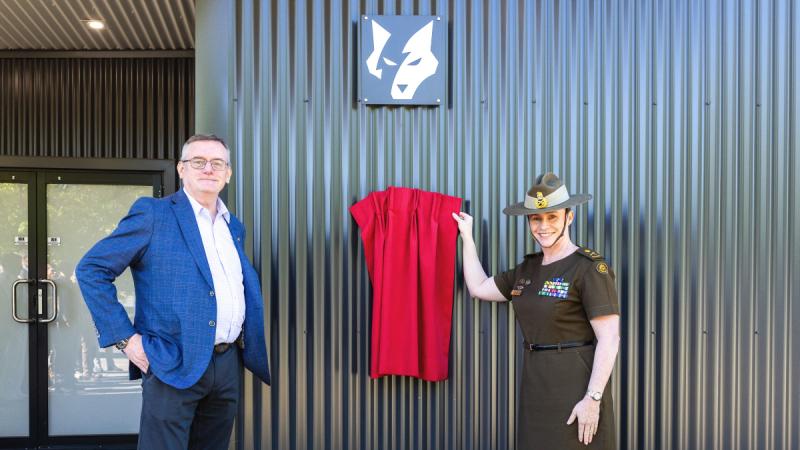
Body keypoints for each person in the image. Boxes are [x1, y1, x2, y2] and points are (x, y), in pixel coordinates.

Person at [76, 134, 270, 450]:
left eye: (217, 163)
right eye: (198, 161)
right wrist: (125, 339)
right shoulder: (154, 214)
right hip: (171, 360)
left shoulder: (233, 227)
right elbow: (92, 269)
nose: (208, 169)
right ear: (181, 169)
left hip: (226, 364)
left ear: (228, 173)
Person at [452, 172, 620, 449]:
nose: (543, 226)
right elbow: (479, 287)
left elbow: (609, 338)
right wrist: (467, 237)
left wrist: (592, 399)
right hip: (536, 385)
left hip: (575, 387)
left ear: (569, 217)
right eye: (535, 218)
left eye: (552, 217)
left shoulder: (589, 268)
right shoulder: (527, 269)